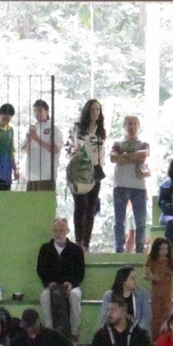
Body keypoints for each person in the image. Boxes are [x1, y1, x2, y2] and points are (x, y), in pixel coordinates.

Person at [65, 100, 107, 248]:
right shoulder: (77, 128)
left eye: (98, 109)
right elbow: (68, 146)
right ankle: (78, 241)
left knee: (91, 207)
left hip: (96, 171)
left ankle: (86, 242)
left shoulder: (101, 130)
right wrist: (73, 150)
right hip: (80, 170)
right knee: (80, 205)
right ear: (87, 111)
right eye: (93, 109)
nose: (95, 112)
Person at [106, 115, 150, 251]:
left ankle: (140, 250)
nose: (132, 127)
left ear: (138, 126)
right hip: (120, 185)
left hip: (139, 186)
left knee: (140, 222)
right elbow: (113, 157)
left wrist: (124, 156)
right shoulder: (118, 143)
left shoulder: (143, 143)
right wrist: (134, 156)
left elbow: (144, 154)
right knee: (119, 221)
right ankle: (119, 249)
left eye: (135, 124)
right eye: (129, 124)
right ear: (124, 126)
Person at [20, 98, 59, 194]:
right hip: (31, 176)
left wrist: (37, 139)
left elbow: (56, 149)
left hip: (47, 176)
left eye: (40, 110)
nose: (37, 113)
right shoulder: (32, 128)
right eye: (35, 111)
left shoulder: (54, 128)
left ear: (47, 111)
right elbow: (22, 151)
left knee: (45, 202)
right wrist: (29, 140)